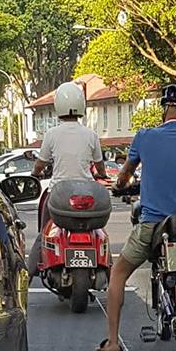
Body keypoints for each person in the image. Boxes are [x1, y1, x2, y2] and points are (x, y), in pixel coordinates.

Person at [96, 84, 176, 351]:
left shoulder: (144, 137)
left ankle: (113, 342)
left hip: (154, 226)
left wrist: (120, 185)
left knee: (117, 273)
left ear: (166, 111)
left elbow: (125, 174)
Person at [28, 82, 107, 271]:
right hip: (89, 195)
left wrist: (35, 174)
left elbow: (40, 163)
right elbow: (99, 164)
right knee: (99, 229)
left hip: (58, 194)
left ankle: (30, 273)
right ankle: (108, 268)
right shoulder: (91, 134)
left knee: (43, 232)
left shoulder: (52, 134)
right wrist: (103, 175)